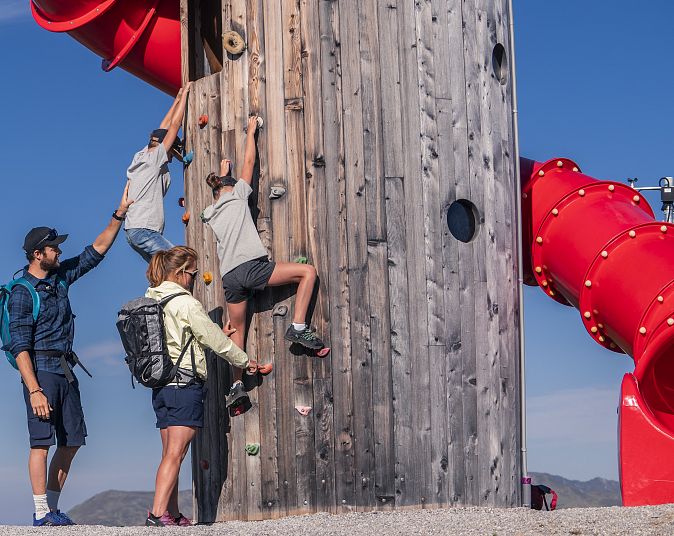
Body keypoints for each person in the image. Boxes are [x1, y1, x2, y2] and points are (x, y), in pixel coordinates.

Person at [7, 185, 134, 526]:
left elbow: (96, 251)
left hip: (65, 369)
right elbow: (18, 345)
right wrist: (33, 388)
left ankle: (52, 507)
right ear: (37, 253)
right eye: (54, 248)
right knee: (40, 443)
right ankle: (39, 513)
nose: (59, 252)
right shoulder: (22, 293)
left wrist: (118, 214)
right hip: (41, 370)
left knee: (73, 440)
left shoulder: (60, 278)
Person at [200, 115, 327, 412]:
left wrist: (221, 173)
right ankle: (297, 327)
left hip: (230, 277)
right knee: (307, 272)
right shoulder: (238, 197)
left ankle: (236, 386)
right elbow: (249, 162)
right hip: (252, 267)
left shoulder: (211, 212)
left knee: (237, 334)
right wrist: (251, 131)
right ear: (232, 189)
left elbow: (220, 188)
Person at [143, 246, 257, 527]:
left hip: (162, 386)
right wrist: (245, 360)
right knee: (175, 454)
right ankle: (157, 515)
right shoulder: (185, 302)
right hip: (184, 386)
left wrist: (215, 333)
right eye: (193, 274)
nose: (194, 279)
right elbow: (214, 341)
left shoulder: (152, 299)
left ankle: (171, 514)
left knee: (171, 453)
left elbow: (184, 339)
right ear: (181, 273)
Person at [125, 82, 192, 262]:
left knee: (161, 271)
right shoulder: (156, 158)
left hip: (132, 230)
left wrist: (176, 100)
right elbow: (174, 125)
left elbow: (162, 129)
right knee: (179, 261)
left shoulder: (141, 155)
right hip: (145, 229)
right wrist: (185, 94)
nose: (172, 158)